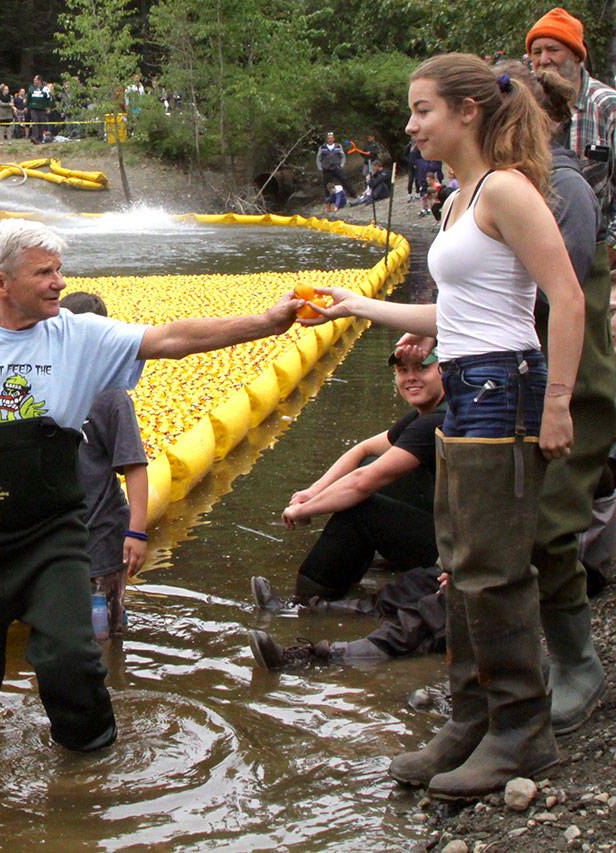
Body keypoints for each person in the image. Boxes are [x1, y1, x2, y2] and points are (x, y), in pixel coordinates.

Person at [0, 218, 301, 753]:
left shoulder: (78, 336)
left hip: (51, 536)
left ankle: (91, 766)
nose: (59, 282)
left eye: (59, 270)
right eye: (44, 272)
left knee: (73, 659)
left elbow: (173, 338)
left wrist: (267, 323)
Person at [305, 54, 585, 801]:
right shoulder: (461, 198)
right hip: (463, 388)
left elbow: (567, 296)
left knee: (494, 570)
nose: (410, 125)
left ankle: (521, 732)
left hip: (505, 389)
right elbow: (451, 310)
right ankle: (471, 720)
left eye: (422, 109)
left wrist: (559, 401)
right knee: (460, 564)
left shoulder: (507, 190)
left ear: (468, 111)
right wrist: (356, 306)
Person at [496, 60, 616, 736]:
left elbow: (555, 301)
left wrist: (560, 400)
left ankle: (578, 664)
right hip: (533, 389)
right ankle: (541, 660)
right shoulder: (523, 187)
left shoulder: (564, 189)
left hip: (577, 393)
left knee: (549, 527)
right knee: (524, 532)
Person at [248, 346, 448, 667]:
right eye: (402, 371)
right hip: (452, 529)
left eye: (421, 368)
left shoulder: (438, 420)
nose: (410, 377)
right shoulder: (424, 415)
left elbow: (362, 483)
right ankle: (308, 607)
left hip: (463, 544)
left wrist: (304, 510)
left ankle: (308, 610)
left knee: (361, 507)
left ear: (444, 370)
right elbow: (362, 450)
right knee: (370, 472)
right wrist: (313, 492)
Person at [58, 291, 149, 639]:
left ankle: (113, 668)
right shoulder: (45, 385)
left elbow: (134, 465)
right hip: (56, 533)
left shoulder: (111, 397)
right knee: (64, 626)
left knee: (103, 628)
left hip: (102, 532)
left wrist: (137, 531)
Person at [526, 7, 616, 245]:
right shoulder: (523, 107)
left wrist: (613, 244)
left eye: (553, 50)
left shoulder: (608, 106)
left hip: (596, 245)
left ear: (577, 55)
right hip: (535, 244)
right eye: (537, 52)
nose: (544, 59)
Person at [317, 132, 354, 196]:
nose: (330, 140)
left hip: (337, 168)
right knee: (327, 185)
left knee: (344, 180)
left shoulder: (338, 146)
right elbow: (318, 158)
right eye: (329, 138)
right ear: (327, 139)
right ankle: (329, 198)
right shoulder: (322, 147)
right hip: (327, 169)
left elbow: (343, 156)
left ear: (333, 139)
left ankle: (353, 194)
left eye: (331, 138)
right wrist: (320, 167)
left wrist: (342, 165)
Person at [27, 76, 53, 144]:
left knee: (41, 123)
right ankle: (35, 137)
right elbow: (28, 97)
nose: (34, 81)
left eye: (36, 80)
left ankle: (40, 138)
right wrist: (27, 106)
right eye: (34, 80)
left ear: (39, 81)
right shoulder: (31, 88)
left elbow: (49, 99)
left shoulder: (45, 89)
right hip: (33, 109)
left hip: (42, 109)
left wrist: (49, 108)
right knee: (35, 122)